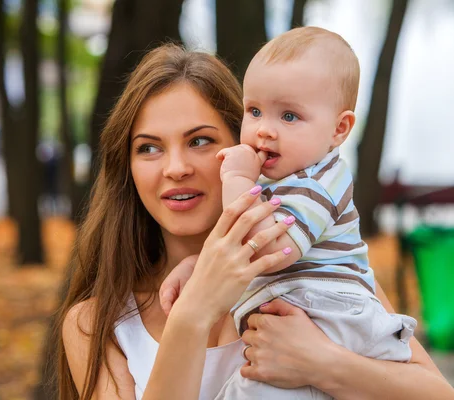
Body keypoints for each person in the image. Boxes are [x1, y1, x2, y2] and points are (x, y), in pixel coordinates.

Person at [56, 43, 454, 400]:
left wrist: (320, 363)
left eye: (200, 141)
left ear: (248, 145)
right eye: (149, 148)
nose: (176, 168)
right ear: (126, 166)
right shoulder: (97, 324)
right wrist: (194, 312)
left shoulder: (324, 273)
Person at [159, 27, 417, 399]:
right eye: (255, 111)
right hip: (313, 312)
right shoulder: (290, 181)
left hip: (328, 314)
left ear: (339, 129)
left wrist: (236, 178)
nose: (265, 130)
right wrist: (196, 267)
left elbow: (268, 251)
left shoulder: (316, 183)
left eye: (290, 116)